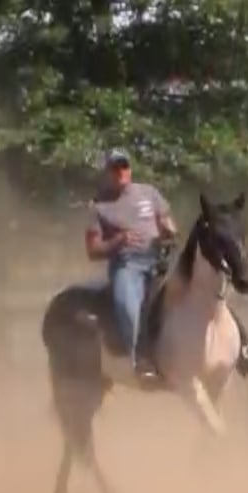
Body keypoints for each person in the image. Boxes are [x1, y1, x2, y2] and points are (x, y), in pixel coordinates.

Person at [85, 150, 176, 384]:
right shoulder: (98, 206)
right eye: (115, 168)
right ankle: (140, 363)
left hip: (160, 261)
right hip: (127, 266)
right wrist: (118, 240)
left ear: (130, 169)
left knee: (202, 287)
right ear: (107, 172)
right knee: (128, 307)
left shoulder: (149, 192)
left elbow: (167, 221)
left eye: (124, 166)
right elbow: (93, 250)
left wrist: (168, 230)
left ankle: (244, 347)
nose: (120, 172)